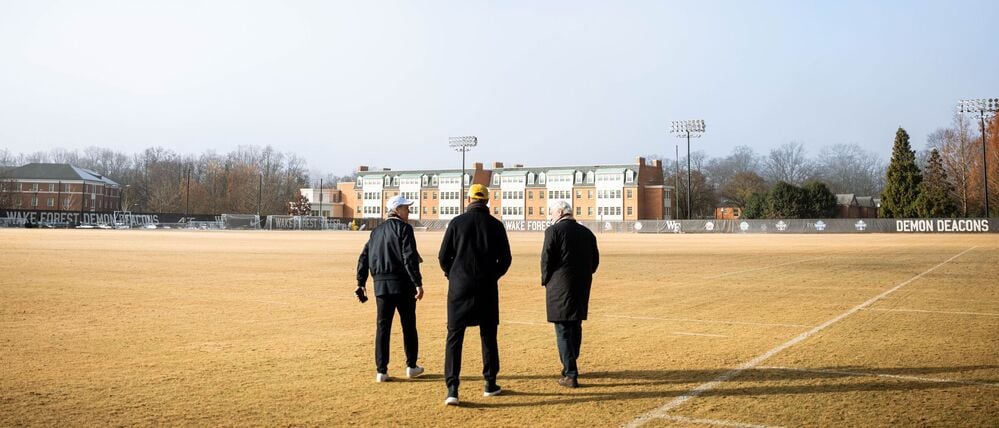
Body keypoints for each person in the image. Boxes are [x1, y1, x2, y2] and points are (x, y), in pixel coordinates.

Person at [437, 183, 512, 406]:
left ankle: (452, 388)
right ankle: (490, 383)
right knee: (488, 335)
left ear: (468, 199)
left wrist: (453, 275)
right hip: (487, 287)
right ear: (487, 201)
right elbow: (506, 259)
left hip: (459, 288)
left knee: (454, 337)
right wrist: (493, 275)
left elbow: (443, 256)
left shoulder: (456, 223)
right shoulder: (496, 225)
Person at [356, 194, 425, 382]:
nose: (408, 210)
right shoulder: (405, 229)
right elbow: (409, 257)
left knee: (383, 328)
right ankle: (411, 366)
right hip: (403, 285)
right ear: (396, 210)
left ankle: (381, 371)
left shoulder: (376, 232)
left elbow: (363, 257)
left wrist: (361, 282)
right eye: (405, 208)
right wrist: (418, 283)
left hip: (381, 287)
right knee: (409, 325)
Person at [541, 200, 599, 388]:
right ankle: (570, 364)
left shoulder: (553, 231)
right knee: (575, 325)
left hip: (559, 286)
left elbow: (546, 259)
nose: (550, 215)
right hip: (581, 285)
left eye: (551, 212)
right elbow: (595, 262)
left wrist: (546, 280)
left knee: (563, 329)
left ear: (559, 212)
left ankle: (570, 373)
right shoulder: (587, 233)